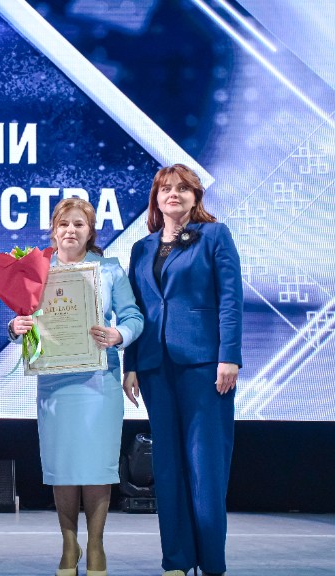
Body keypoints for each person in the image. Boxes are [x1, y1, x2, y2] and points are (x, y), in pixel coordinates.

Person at [9, 198, 144, 576]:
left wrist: (118, 334)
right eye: (64, 224)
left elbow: (133, 316)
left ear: (90, 232)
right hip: (55, 380)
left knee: (97, 467)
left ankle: (96, 544)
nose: (71, 230)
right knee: (63, 466)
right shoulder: (36, 270)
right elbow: (19, 319)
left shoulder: (109, 269)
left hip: (99, 379)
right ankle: (69, 544)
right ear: (53, 231)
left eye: (79, 224)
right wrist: (15, 327)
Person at [122, 164, 242, 576]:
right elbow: (136, 309)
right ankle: (176, 560)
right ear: (156, 199)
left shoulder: (215, 236)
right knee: (167, 467)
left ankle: (211, 563)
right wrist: (131, 364)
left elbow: (230, 299)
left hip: (205, 365)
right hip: (155, 365)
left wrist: (230, 356)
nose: (173, 194)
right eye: (165, 189)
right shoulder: (142, 248)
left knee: (205, 465)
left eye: (182, 189)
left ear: (195, 197)